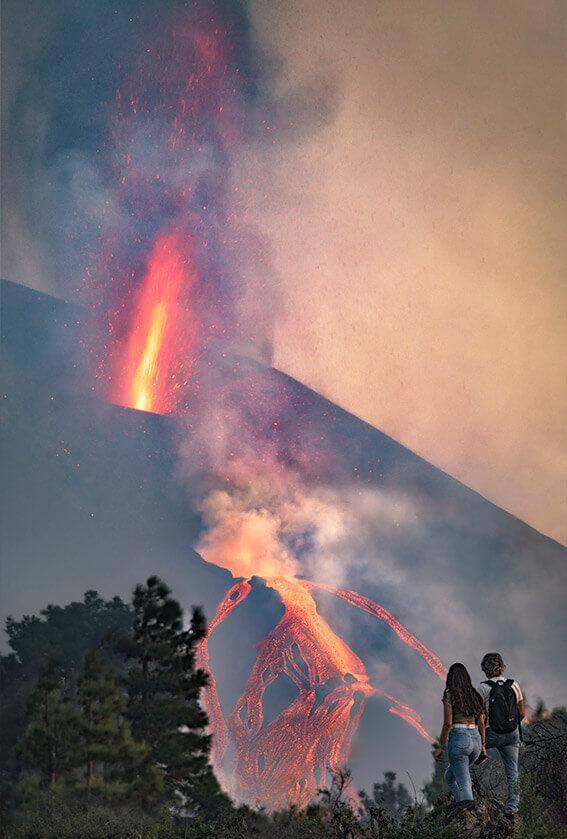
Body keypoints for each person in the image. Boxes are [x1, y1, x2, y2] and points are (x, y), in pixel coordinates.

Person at [478, 652, 525, 819]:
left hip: (491, 733)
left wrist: (481, 742)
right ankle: (513, 807)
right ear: (502, 667)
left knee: (465, 756)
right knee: (512, 770)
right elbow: (522, 712)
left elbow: (479, 718)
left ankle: (461, 790)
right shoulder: (514, 685)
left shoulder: (483, 688)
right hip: (512, 734)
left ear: (485, 669)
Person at [433, 662, 486, 804]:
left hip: (460, 739)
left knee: (464, 784)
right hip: (476, 741)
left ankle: (469, 817)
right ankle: (460, 808)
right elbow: (481, 723)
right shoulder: (474, 695)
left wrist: (440, 747)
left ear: (450, 678)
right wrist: (484, 747)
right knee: (450, 777)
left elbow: (448, 723)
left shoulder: (450, 693)